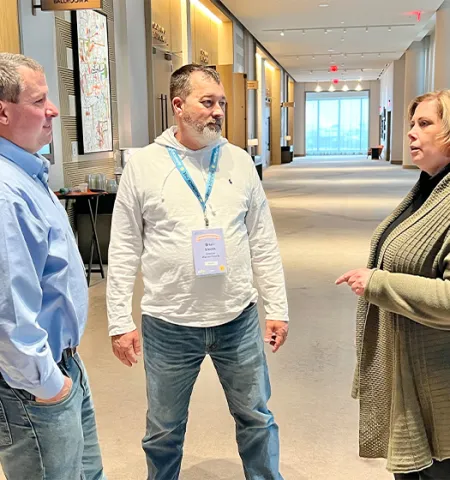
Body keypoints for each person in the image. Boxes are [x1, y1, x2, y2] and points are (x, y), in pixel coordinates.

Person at [107, 64, 289, 479]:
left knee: (257, 418)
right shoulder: (145, 165)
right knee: (163, 429)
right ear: (178, 105)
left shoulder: (239, 161)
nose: (218, 111)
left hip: (237, 317)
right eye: (207, 102)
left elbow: (262, 239)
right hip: (169, 322)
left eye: (221, 102)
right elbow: (123, 248)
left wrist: (277, 307)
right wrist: (119, 319)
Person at [0, 53, 106, 480]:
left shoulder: (28, 176)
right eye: (40, 100)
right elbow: (9, 313)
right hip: (34, 387)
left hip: (63, 366)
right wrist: (48, 384)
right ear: (3, 112)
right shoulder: (6, 195)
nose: (54, 110)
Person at [336, 90, 450, 479]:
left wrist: (379, 284)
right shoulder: (427, 189)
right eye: (411, 124)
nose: (411, 134)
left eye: (425, 124)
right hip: (412, 370)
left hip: (439, 382)